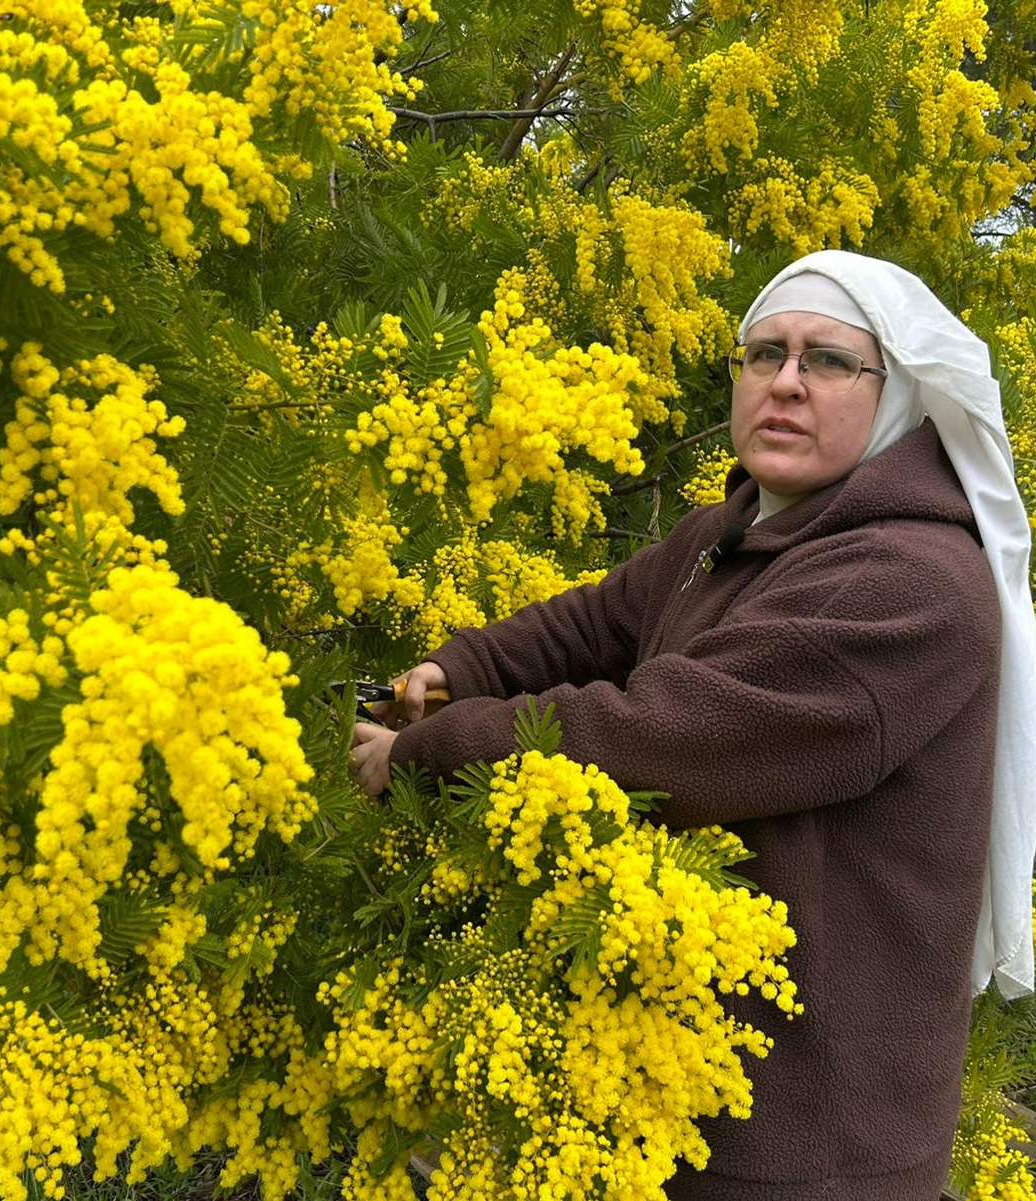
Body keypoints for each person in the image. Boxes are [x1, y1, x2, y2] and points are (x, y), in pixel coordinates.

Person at [349, 250, 1036, 1200]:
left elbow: (664, 739)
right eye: (764, 354)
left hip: (804, 1144)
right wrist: (456, 669)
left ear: (899, 396)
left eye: (828, 360)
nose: (786, 382)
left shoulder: (908, 582)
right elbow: (591, 624)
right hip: (659, 1100)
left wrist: (425, 751)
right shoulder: (736, 529)